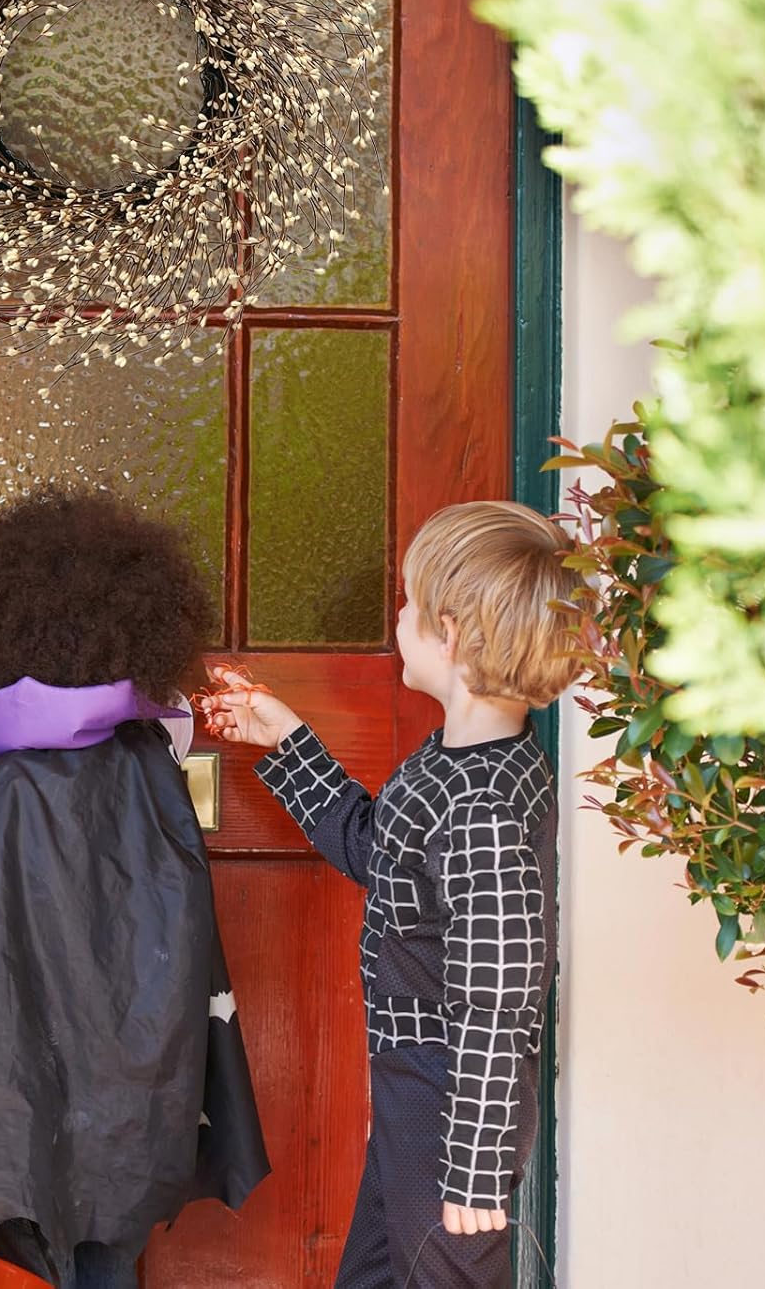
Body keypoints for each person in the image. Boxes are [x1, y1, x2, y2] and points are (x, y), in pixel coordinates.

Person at [0, 490, 270, 1289]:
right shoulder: (152, 773)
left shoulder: (12, 791)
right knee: (106, 1245)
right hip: (124, 1100)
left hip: (8, 1111)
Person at [200, 500, 579, 1289]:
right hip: (413, 1082)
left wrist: (475, 1165)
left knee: (442, 1276)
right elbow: (385, 854)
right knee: (375, 1273)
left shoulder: (483, 805)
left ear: (449, 633)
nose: (397, 617)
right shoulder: (457, 761)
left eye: (408, 603)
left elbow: (499, 994)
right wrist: (288, 740)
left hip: (450, 1101)